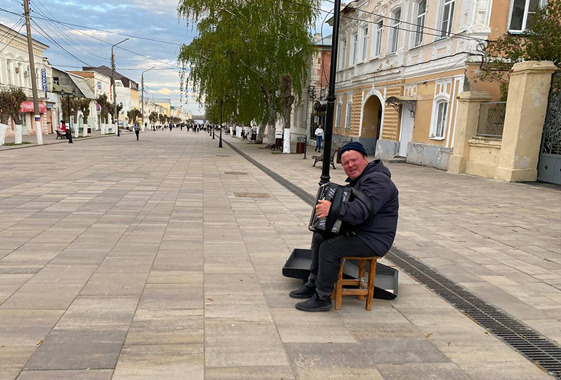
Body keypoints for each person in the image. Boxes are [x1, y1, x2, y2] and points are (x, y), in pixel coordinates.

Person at [290, 141, 399, 312]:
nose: (350, 165)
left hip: (374, 239)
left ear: (365, 158)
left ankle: (322, 297)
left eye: (354, 160)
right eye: (346, 163)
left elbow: (361, 211)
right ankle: (313, 283)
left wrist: (332, 208)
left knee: (329, 248)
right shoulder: (362, 179)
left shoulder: (378, 181)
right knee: (320, 235)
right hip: (362, 231)